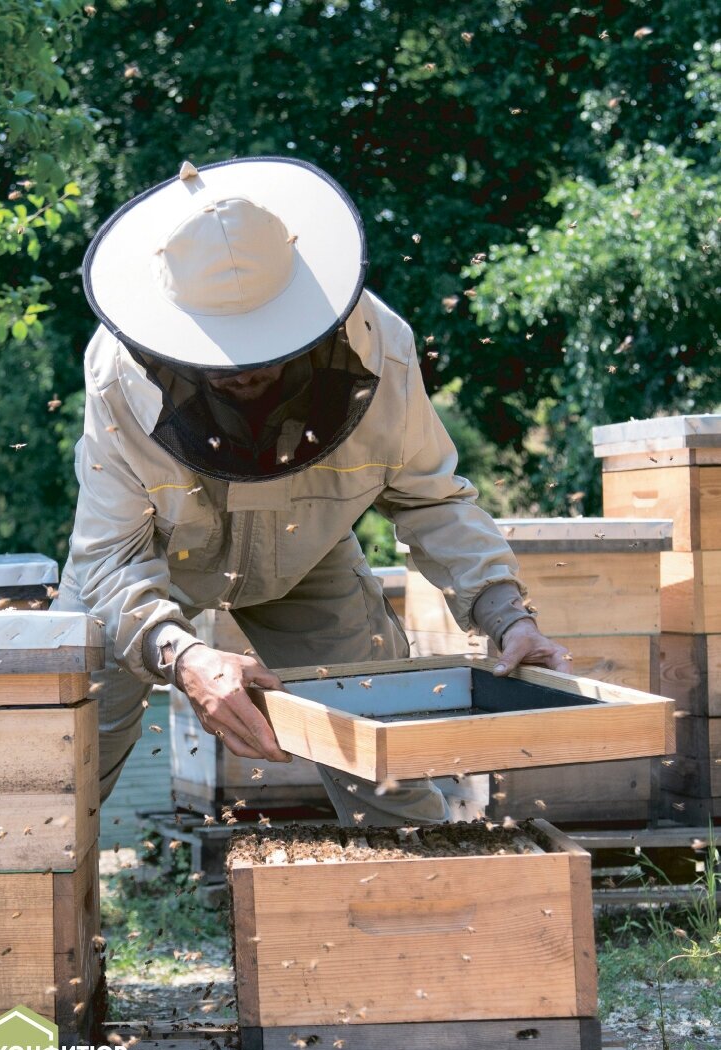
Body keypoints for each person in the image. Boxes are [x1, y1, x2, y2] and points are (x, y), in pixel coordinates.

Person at [56, 156, 569, 826]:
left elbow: (431, 497)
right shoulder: (115, 376)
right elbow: (109, 559)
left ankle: (435, 909)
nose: (246, 375)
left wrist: (508, 616)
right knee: (63, 759)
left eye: (266, 355)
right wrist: (183, 655)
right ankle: (29, 918)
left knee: (387, 752)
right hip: (152, 565)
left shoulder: (381, 348)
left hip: (306, 558)